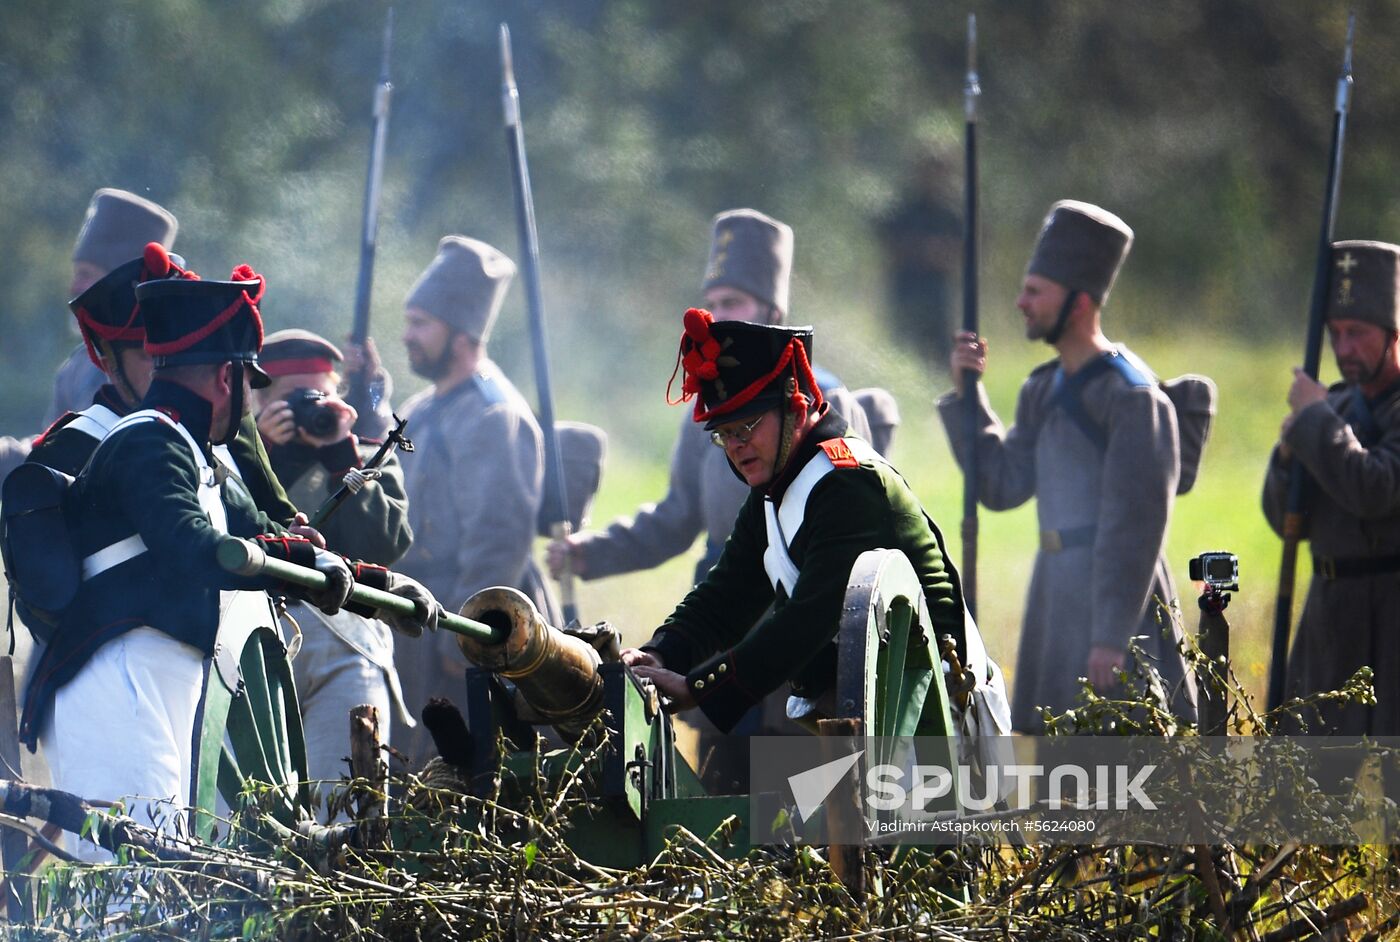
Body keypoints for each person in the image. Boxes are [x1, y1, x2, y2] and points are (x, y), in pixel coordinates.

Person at [19, 266, 436, 859]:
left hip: (166, 683)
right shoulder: (147, 440)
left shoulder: (198, 452)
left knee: (167, 876)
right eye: (250, 380)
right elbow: (196, 549)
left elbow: (280, 541)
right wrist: (295, 555)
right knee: (131, 881)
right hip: (114, 682)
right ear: (226, 376)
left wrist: (385, 588)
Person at [622, 309, 977, 737]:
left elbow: (806, 621)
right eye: (724, 433)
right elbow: (726, 595)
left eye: (747, 425)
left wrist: (696, 688)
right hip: (865, 718)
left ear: (796, 402)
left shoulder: (849, 484)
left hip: (934, 719)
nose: (735, 445)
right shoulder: (775, 488)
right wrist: (660, 655)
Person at [937, 200, 1195, 732]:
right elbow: (1002, 484)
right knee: (1061, 765)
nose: (1021, 303)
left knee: (1123, 758)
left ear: (1078, 302)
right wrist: (969, 396)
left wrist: (1110, 635)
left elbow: (1136, 526)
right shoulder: (1041, 388)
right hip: (1056, 593)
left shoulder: (1132, 397)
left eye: (1035, 291)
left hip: (1119, 600)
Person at [548, 209, 875, 591]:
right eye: (713, 304)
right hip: (721, 589)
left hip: (805, 588)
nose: (717, 319)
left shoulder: (823, 397)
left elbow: (857, 523)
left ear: (772, 311)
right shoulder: (705, 409)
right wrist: (593, 552)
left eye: (732, 303)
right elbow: (678, 517)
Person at [393, 236, 559, 763]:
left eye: (421, 323)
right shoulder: (420, 409)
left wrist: (460, 640)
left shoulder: (494, 418)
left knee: (472, 773)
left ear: (460, 333)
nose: (408, 336)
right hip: (422, 612)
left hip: (469, 621)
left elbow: (497, 544)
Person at [254, 328, 415, 813]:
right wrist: (265, 454)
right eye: (293, 399)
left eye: (321, 395)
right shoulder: (238, 455)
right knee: (251, 815)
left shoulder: (365, 456)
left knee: (349, 807)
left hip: (350, 644)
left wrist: (342, 460)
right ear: (256, 398)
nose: (311, 408)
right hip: (259, 638)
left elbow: (387, 542)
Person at [1264, 240, 1400, 735]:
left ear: (1392, 332)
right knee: (1308, 785)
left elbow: (1375, 489)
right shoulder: (1333, 407)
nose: (1343, 350)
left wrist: (1315, 420)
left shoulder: (1327, 413)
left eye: (1357, 334)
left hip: (1392, 614)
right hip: (1331, 614)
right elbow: (1286, 522)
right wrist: (1286, 456)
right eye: (1335, 334)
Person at [47, 188, 178, 426]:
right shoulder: (76, 367)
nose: (75, 287)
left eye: (86, 275)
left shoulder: (161, 363)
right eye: (76, 273)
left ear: (116, 287)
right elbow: (51, 447)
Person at [876, 151, 963, 364]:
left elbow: (961, 250)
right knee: (902, 349)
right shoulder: (904, 210)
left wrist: (941, 254)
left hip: (937, 293)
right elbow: (889, 243)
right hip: (906, 288)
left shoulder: (950, 213)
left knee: (940, 353)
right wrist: (920, 251)